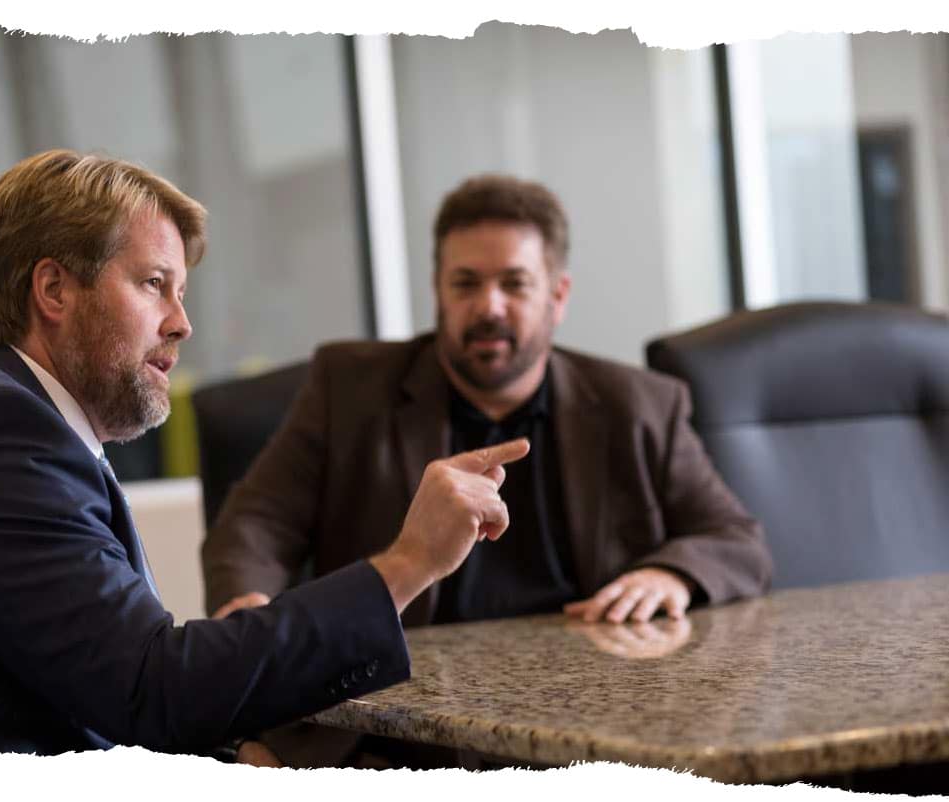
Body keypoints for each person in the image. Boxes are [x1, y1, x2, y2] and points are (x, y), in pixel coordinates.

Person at [0, 150, 532, 771]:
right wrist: (407, 564)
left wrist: (238, 748)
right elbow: (153, 688)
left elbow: (115, 683)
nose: (181, 323)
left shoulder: (8, 420)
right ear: (53, 289)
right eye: (153, 285)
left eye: (179, 292)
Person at [202, 174, 773, 767]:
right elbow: (255, 524)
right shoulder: (348, 388)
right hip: (394, 729)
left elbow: (737, 540)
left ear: (558, 294)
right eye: (466, 283)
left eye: (514, 284)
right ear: (438, 292)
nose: (489, 306)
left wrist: (671, 575)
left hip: (591, 727)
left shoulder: (639, 405)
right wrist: (248, 608)